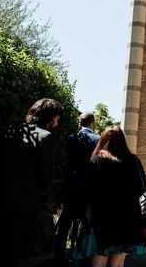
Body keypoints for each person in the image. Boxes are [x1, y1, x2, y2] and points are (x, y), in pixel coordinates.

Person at [0, 98, 63, 267]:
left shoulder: (9, 130)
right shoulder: (46, 137)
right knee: (15, 250)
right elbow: (45, 177)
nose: (57, 123)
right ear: (51, 117)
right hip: (25, 204)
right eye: (57, 118)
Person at [87, 126, 146, 267]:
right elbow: (142, 188)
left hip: (102, 216)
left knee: (99, 257)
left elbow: (89, 189)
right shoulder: (133, 160)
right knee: (118, 261)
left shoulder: (97, 160)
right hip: (127, 216)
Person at [55, 111, 100, 264]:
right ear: (92, 123)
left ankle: (59, 252)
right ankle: (81, 252)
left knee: (66, 219)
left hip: (70, 185)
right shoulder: (97, 139)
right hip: (87, 187)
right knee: (86, 220)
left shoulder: (71, 138)